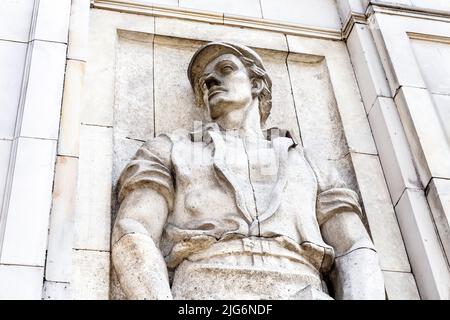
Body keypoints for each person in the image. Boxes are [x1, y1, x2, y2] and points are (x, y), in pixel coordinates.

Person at [111, 41, 385, 300]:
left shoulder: (310, 163)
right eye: (204, 81)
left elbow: (354, 247)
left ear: (256, 83)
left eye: (226, 69)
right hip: (205, 289)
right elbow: (134, 228)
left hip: (303, 285)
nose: (210, 81)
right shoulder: (168, 150)